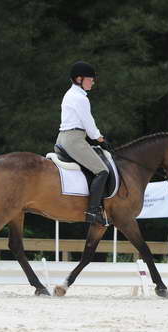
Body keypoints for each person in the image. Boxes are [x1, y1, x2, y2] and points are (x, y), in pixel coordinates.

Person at [56, 61, 110, 225]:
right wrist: (101, 139)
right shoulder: (80, 98)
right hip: (74, 140)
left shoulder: (70, 94)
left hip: (62, 139)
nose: (93, 81)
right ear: (79, 79)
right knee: (102, 171)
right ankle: (93, 212)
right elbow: (89, 124)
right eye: (90, 79)